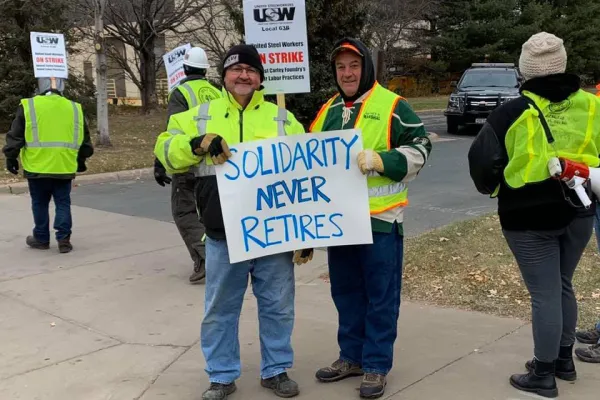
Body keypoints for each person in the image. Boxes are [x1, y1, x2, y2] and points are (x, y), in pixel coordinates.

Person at [154, 44, 309, 400]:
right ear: (223, 76)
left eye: (250, 70)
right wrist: (195, 143)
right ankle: (222, 376)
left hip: (274, 237)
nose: (243, 76)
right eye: (236, 70)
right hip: (223, 234)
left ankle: (276, 370)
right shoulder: (199, 115)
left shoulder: (283, 119)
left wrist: (305, 231)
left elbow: (306, 177)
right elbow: (164, 149)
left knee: (278, 306)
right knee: (220, 310)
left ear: (260, 78)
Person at [468, 32, 600, 398]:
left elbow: (481, 164)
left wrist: (499, 188)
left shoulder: (510, 112)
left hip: (527, 216)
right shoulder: (592, 106)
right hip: (580, 208)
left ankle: (543, 373)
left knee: (544, 293)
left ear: (525, 70)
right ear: (563, 63)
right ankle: (563, 360)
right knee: (562, 284)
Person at [310, 38, 432, 399]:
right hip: (340, 223)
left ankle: (376, 364)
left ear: (367, 67)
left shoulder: (394, 105)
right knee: (345, 292)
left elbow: (421, 148)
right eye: (340, 67)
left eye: (354, 66)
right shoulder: (328, 109)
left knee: (380, 296)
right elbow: (310, 166)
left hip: (381, 221)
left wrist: (384, 160)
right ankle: (352, 357)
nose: (347, 74)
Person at [153, 46, 222, 284]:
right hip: (214, 165)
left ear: (184, 68)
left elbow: (172, 131)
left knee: (184, 212)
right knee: (208, 213)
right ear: (205, 69)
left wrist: (160, 163)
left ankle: (206, 257)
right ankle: (213, 256)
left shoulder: (180, 92)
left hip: (189, 161)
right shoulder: (217, 91)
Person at [2, 77, 94, 253]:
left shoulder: (28, 106)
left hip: (37, 166)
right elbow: (84, 140)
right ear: (62, 85)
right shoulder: (75, 108)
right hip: (64, 165)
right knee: (62, 202)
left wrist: (11, 157)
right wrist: (81, 160)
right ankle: (64, 239)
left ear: (39, 86)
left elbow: (16, 135)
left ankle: (41, 238)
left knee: (39, 203)